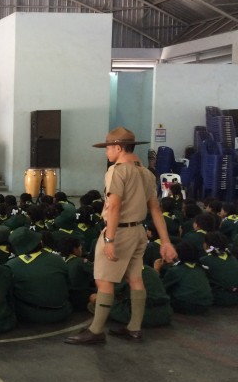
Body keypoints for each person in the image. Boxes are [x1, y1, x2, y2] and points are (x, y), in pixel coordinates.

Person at [66, 127, 177, 345]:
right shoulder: (146, 173)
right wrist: (165, 241)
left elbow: (115, 206)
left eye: (108, 147)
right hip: (139, 231)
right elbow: (155, 209)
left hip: (120, 232)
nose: (106, 152)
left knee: (104, 280)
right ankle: (134, 328)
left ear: (118, 147)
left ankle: (96, 331)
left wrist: (109, 239)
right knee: (135, 278)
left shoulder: (117, 171)